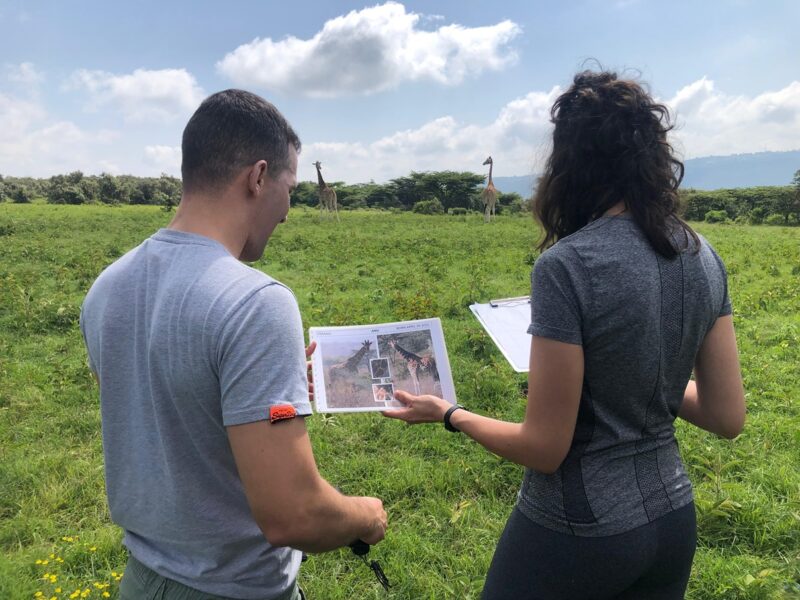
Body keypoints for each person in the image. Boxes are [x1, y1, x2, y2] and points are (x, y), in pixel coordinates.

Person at [383, 70, 745, 599]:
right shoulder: (702, 254)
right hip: (672, 521)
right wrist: (643, 370)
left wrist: (450, 415)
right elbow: (726, 416)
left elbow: (545, 447)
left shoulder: (567, 264)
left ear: (570, 163)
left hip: (577, 530)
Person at [80, 89, 387, 600]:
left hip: (140, 581)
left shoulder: (107, 286)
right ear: (259, 177)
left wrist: (266, 382)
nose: (288, 210)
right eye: (288, 187)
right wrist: (365, 515)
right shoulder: (257, 301)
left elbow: (164, 413)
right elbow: (294, 515)